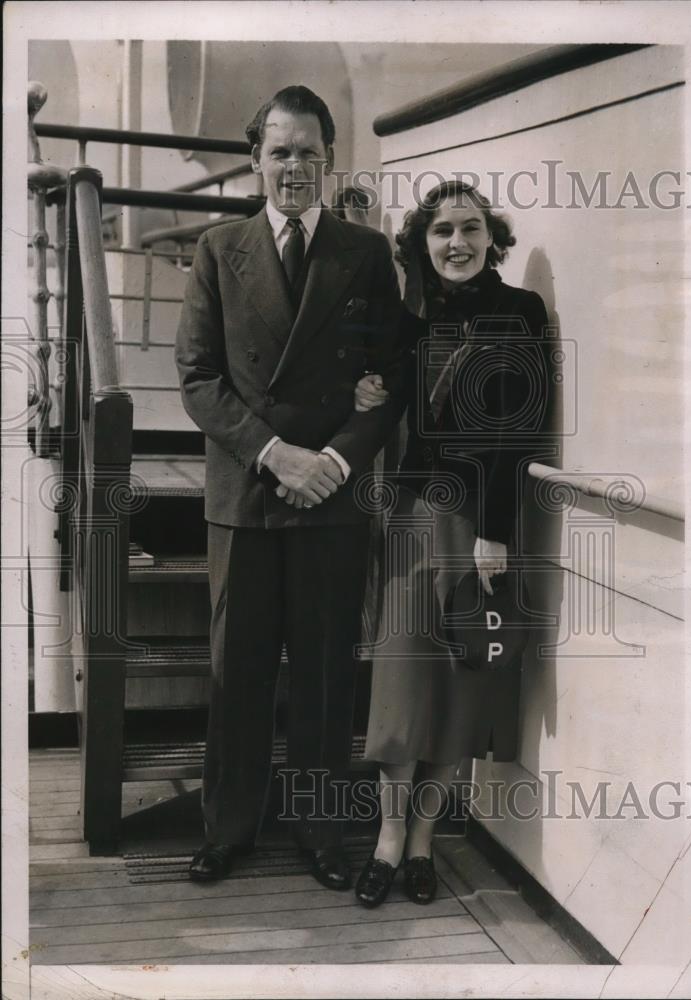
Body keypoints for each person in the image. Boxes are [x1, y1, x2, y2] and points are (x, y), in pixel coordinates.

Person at [175, 85, 402, 890]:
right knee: (237, 670)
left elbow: (390, 376)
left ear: (329, 160)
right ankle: (227, 827)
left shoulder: (366, 254)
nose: (294, 167)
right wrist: (277, 455)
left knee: (324, 671)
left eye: (309, 151)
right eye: (280, 151)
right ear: (255, 159)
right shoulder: (217, 249)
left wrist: (333, 464)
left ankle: (317, 827)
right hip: (247, 493)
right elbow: (198, 380)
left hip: (331, 500)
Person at [352, 180, 549, 907]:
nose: (457, 244)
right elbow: (382, 395)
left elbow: (517, 435)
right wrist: (367, 391)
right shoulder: (413, 321)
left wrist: (495, 533)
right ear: (423, 244)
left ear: (492, 239)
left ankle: (425, 843)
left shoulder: (518, 313)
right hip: (410, 520)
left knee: (459, 694)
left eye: (470, 229)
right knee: (403, 691)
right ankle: (386, 839)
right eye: (442, 232)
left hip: (476, 529)